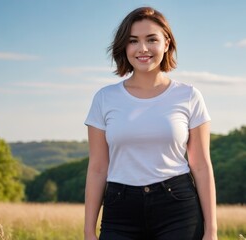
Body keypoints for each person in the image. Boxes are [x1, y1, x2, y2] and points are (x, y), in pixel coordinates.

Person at [83, 6, 217, 240]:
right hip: (120, 209)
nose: (142, 48)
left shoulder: (189, 95)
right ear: (124, 47)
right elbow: (97, 168)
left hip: (177, 208)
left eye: (151, 39)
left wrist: (211, 231)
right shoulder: (104, 98)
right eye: (133, 41)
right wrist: (88, 231)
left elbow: (201, 165)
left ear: (166, 44)